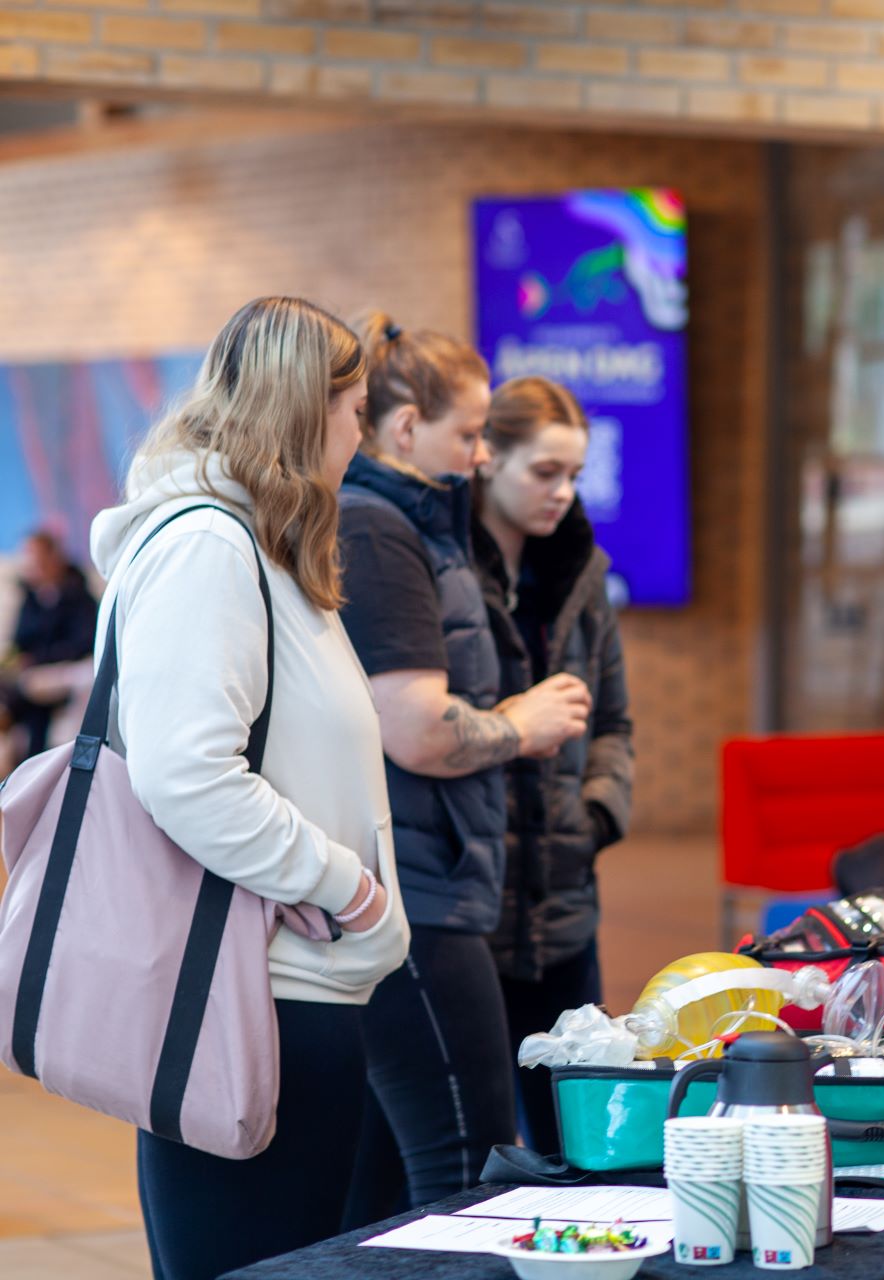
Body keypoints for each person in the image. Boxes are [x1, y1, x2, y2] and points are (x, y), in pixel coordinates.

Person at [87, 296, 410, 1279]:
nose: (365, 435)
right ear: (311, 410)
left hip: (287, 991)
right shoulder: (209, 548)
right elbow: (185, 773)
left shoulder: (251, 547)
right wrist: (342, 881)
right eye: (358, 410)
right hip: (248, 997)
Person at [336, 316, 592, 1220]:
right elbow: (415, 731)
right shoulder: (375, 529)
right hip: (418, 897)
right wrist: (520, 725)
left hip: (428, 884)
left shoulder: (419, 527)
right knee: (468, 1165)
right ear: (404, 429)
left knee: (383, 1179)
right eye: (470, 434)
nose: (481, 456)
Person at [472, 375, 633, 1155]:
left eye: (573, 475)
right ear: (485, 458)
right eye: (543, 473)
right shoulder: (442, 575)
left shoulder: (582, 574)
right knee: (475, 1145)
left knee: (576, 1137)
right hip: (471, 900)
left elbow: (614, 720)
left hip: (565, 894)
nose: (562, 493)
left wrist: (596, 815)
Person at [1, 530, 99, 758]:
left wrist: (39, 659)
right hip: (33, 675)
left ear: (54, 558)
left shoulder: (79, 596)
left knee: (34, 691)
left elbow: (83, 643)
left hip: (64, 671)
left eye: (36, 558)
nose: (30, 565)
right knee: (30, 701)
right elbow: (20, 639)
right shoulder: (30, 596)